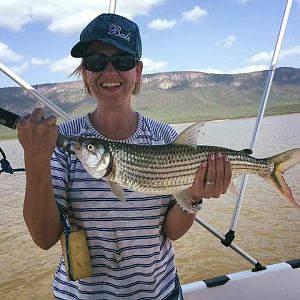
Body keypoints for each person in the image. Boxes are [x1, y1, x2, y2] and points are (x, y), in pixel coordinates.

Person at [17, 13, 232, 299]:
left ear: (138, 71)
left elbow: (172, 231)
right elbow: (43, 238)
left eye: (122, 61)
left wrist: (193, 195)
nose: (109, 72)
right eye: (96, 61)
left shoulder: (164, 138)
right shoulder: (64, 142)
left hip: (159, 292)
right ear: (85, 72)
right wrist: (35, 160)